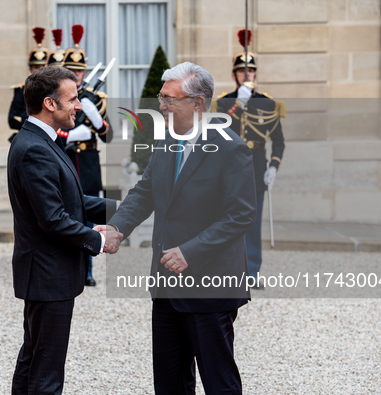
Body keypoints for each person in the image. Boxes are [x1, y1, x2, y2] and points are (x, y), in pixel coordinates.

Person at [105, 62, 256, 394]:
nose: (162, 106)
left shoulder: (231, 148)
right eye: (162, 97)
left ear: (198, 103)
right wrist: (118, 228)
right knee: (170, 384)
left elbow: (241, 215)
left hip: (210, 287)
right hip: (166, 286)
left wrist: (190, 251)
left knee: (219, 383)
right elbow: (145, 192)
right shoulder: (166, 141)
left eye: (170, 99)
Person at [7, 66, 122, 394]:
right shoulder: (34, 149)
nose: (79, 106)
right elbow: (53, 218)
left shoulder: (41, 140)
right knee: (46, 369)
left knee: (33, 358)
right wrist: (99, 240)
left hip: (47, 273)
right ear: (50, 104)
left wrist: (125, 207)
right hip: (47, 273)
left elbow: (72, 198)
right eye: (73, 99)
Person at [214, 30, 285, 288]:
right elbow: (218, 131)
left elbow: (278, 140)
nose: (247, 75)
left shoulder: (268, 103)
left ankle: (252, 272)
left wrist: (274, 167)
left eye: (251, 71)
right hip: (230, 169)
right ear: (234, 75)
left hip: (256, 167)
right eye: (242, 71)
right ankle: (231, 270)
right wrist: (239, 105)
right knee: (229, 220)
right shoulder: (224, 103)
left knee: (252, 225)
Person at [61, 24, 114, 286]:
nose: (78, 75)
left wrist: (97, 119)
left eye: (80, 70)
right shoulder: (58, 97)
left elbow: (109, 136)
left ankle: (88, 269)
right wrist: (69, 136)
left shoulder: (96, 98)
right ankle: (70, 265)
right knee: (67, 214)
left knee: (90, 214)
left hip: (89, 162)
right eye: (72, 70)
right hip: (67, 159)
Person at [7, 27, 48, 142]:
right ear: (30, 69)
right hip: (27, 138)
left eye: (42, 67)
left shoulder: (52, 90)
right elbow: (12, 120)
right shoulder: (21, 91)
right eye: (36, 67)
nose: (39, 71)